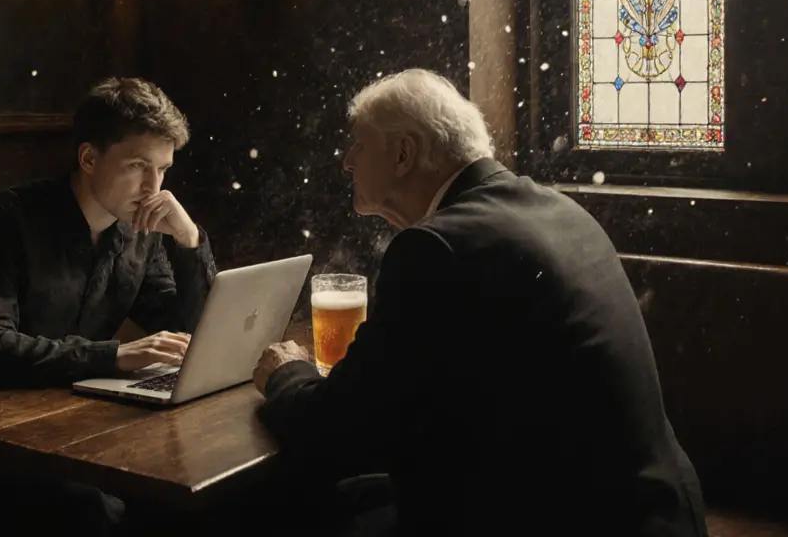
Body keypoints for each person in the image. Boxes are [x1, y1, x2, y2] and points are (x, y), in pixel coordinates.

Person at [252, 69, 708, 537]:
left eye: (359, 145)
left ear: (404, 154)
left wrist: (286, 373)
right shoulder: (559, 210)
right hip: (651, 511)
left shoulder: (435, 248)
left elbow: (338, 432)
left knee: (283, 509)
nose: (348, 161)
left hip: (569, 520)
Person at [0, 77, 217, 536]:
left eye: (164, 169)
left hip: (43, 435)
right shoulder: (5, 220)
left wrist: (190, 242)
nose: (155, 187)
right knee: (95, 511)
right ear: (89, 158)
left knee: (179, 502)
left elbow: (185, 330)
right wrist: (110, 356)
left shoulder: (138, 233)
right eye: (138, 165)